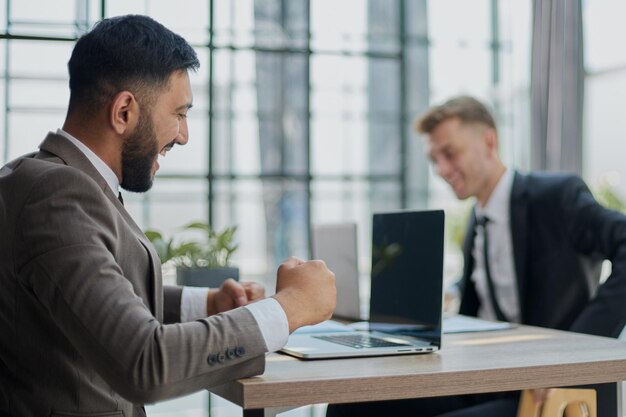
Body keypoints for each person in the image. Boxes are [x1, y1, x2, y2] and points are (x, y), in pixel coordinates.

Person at [0, 15, 336, 416]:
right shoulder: (57, 195)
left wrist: (207, 303)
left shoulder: (47, 177)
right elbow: (144, 362)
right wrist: (291, 306)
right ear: (124, 111)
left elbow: (89, 298)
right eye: (179, 113)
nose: (183, 135)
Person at [327, 96, 626, 417]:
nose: (441, 169)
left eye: (450, 153)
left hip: (544, 389)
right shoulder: (477, 219)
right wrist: (452, 290)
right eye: (434, 159)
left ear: (489, 141)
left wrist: (576, 351)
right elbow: (490, 280)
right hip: (488, 377)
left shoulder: (555, 196)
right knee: (350, 408)